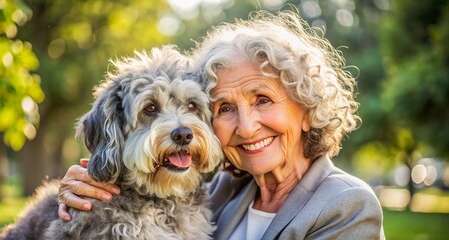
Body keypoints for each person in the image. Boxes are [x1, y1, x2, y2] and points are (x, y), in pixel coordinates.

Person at [57, 10, 385, 239]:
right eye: (225, 108)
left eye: (263, 100)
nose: (245, 126)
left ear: (306, 108)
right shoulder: (216, 191)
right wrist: (78, 195)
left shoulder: (348, 206)